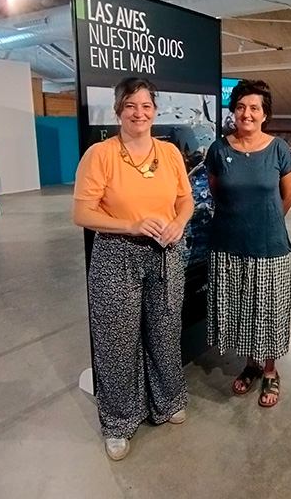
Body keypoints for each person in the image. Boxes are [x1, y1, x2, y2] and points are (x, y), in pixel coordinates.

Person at [72, 77, 195, 460]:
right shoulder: (100, 154)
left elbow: (185, 200)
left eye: (145, 106)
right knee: (116, 340)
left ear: (155, 110)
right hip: (115, 254)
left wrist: (179, 223)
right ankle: (119, 421)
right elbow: (81, 213)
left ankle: (168, 400)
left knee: (164, 331)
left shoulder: (170, 153)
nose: (138, 113)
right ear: (118, 111)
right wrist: (131, 225)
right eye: (130, 106)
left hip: (165, 253)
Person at [205, 79, 291, 408]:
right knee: (242, 309)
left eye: (254, 108)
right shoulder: (219, 149)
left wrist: (268, 219)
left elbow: (289, 194)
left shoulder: (278, 149)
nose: (247, 113)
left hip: (269, 245)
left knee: (268, 310)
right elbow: (217, 192)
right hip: (228, 242)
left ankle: (271, 370)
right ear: (234, 111)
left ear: (264, 114)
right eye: (241, 107)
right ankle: (250, 365)